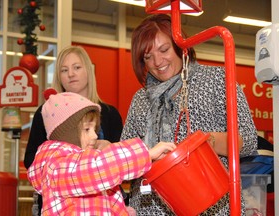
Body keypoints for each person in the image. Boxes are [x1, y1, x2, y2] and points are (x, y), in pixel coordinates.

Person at [120, 14, 258, 215]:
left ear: (180, 46)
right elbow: (126, 156)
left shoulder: (218, 81)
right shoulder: (141, 99)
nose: (157, 62)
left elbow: (249, 141)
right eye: (147, 57)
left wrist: (207, 142)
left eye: (164, 49)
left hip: (211, 206)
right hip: (149, 208)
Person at [27, 90, 176, 215]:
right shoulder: (57, 167)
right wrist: (146, 154)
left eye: (95, 129)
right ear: (67, 134)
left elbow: (105, 198)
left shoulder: (85, 168)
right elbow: (98, 168)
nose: (95, 136)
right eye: (87, 129)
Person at [24, 45, 124, 214]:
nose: (71, 74)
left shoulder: (109, 114)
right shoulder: (47, 113)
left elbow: (123, 163)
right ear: (58, 76)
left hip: (105, 206)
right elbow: (31, 162)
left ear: (88, 71)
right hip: (59, 207)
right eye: (64, 70)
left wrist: (110, 149)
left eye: (77, 67)